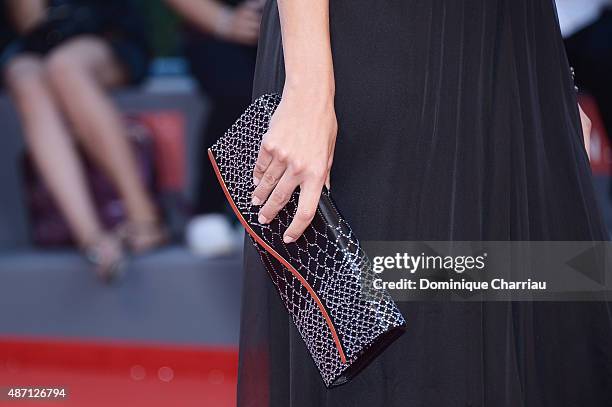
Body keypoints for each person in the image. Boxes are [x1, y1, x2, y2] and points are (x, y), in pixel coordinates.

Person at [238, 1, 612, 406]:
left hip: (510, 52)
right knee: (401, 345)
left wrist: (549, 72)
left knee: (533, 325)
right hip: (377, 48)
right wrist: (308, 90)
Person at [2, 0, 166, 280]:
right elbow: (31, 25)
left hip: (108, 36)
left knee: (64, 66)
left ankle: (144, 216)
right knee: (22, 76)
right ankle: (91, 237)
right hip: (40, 42)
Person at [166, 0, 263, 256]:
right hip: (220, 31)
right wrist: (224, 20)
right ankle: (211, 209)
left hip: (296, 32)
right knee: (236, 91)